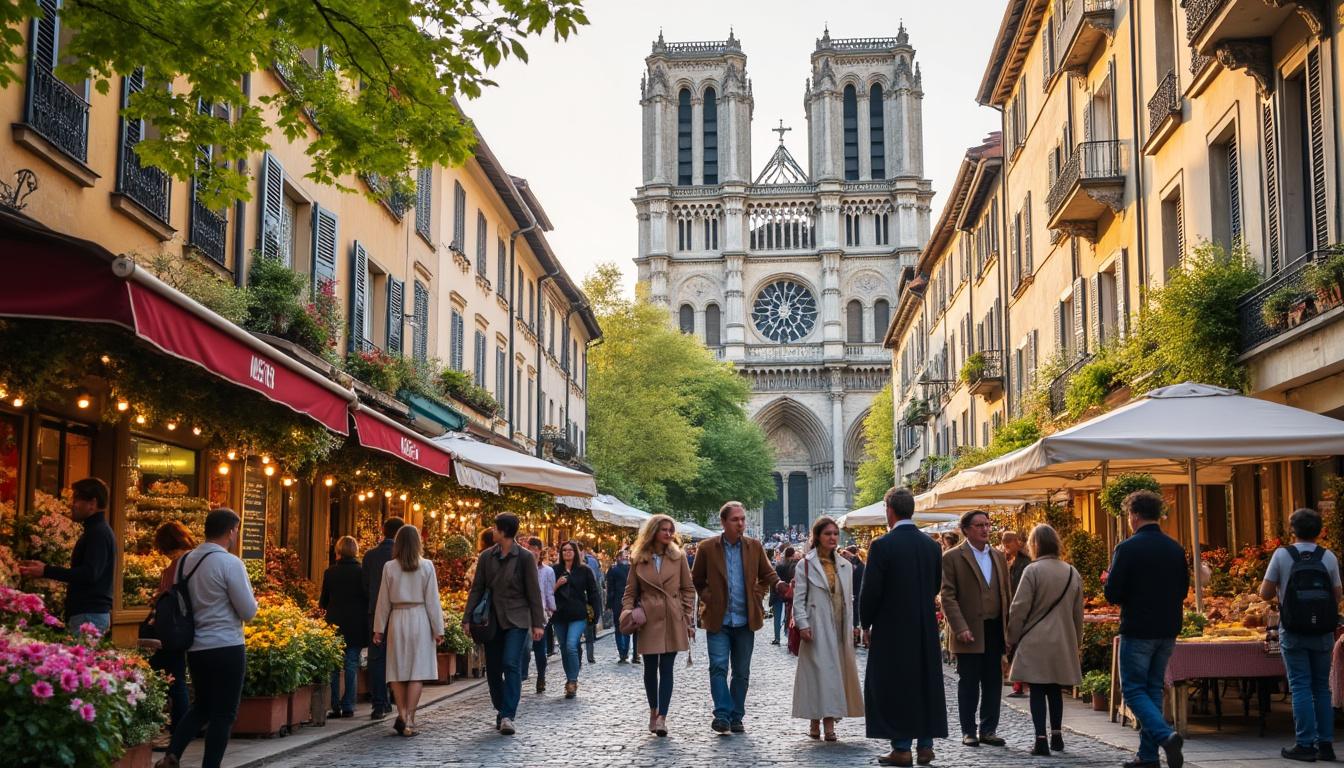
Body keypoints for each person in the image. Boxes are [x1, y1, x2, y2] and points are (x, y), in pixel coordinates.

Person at [154, 509, 258, 768]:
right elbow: (248, 611)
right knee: (224, 713)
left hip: (196, 646)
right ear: (231, 531)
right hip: (227, 645)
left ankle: (172, 754)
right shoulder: (230, 563)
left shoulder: (185, 561)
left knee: (201, 706)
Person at [861, 487, 947, 767]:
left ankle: (901, 748)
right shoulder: (932, 546)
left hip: (891, 628)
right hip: (923, 626)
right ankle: (925, 745)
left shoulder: (882, 546)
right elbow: (935, 585)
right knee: (924, 683)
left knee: (894, 685)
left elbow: (871, 591)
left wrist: (865, 623)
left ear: (890, 511)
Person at [1104, 490, 1187, 768]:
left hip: (1138, 627)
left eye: (1128, 514)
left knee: (1133, 690)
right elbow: (1183, 589)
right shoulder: (1175, 548)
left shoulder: (1127, 548)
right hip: (1168, 627)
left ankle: (1165, 736)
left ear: (1135, 515)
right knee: (1152, 688)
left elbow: (1113, 594)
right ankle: (1148, 756)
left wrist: (1111, 580)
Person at [690, 500, 782, 734]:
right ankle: (722, 714)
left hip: (744, 619)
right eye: (735, 519)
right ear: (723, 522)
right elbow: (697, 579)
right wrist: (708, 596)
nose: (741, 523)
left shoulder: (754, 546)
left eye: (743, 519)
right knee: (718, 667)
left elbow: (767, 574)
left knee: (741, 672)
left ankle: (736, 716)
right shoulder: (707, 547)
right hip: (718, 619)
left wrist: (766, 589)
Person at [1260, 508, 1342, 762]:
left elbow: (1264, 592)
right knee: (1322, 687)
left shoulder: (1282, 555)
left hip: (1293, 630)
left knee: (1300, 686)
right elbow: (1337, 593)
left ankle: (1305, 743)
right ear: (1319, 531)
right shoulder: (1327, 556)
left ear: (1292, 530)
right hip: (1322, 631)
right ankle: (1326, 744)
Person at [463, 513, 546, 736]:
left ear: (503, 532)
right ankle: (501, 708)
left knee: (511, 663)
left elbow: (533, 592)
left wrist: (538, 623)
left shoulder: (525, 557)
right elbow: (477, 589)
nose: (492, 531)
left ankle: (508, 714)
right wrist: (467, 617)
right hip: (491, 619)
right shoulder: (486, 556)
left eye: (495, 528)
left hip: (517, 619)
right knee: (492, 669)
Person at [1005, 525, 1083, 756]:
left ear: (1034, 544)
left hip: (1035, 639)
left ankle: (1041, 739)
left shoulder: (1032, 571)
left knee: (1038, 690)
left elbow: (1019, 608)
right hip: (1062, 640)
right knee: (1055, 689)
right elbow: (1078, 613)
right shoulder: (1072, 572)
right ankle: (1057, 735)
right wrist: (1075, 642)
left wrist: (1011, 637)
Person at [941, 509, 1011, 747]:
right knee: (969, 682)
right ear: (966, 530)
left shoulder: (999, 556)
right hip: (968, 630)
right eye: (979, 525)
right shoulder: (952, 557)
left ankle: (989, 729)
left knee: (993, 681)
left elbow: (1006, 593)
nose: (985, 529)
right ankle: (968, 730)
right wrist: (959, 627)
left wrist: (1008, 628)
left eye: (987, 525)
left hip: (994, 627)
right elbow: (947, 596)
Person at [622, 514, 695, 737]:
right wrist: (627, 611)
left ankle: (662, 716)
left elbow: (687, 588)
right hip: (649, 617)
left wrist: (686, 613)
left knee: (667, 668)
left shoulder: (678, 556)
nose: (668, 533)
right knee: (650, 669)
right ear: (653, 531)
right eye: (664, 529)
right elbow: (631, 591)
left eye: (671, 530)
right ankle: (653, 711)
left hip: (673, 616)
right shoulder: (638, 558)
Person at [791, 516, 863, 742]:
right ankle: (816, 721)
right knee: (818, 675)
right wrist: (803, 624)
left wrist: (853, 625)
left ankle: (829, 723)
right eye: (827, 534)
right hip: (816, 625)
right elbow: (799, 598)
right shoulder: (805, 564)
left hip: (840, 626)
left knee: (835, 674)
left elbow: (849, 599)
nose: (832, 538)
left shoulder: (846, 565)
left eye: (835, 534)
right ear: (817, 537)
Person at [18, 477, 117, 635]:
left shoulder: (98, 533)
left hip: (88, 615)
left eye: (76, 499)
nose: (72, 505)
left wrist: (46, 571)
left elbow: (89, 574)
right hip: (89, 613)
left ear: (92, 503)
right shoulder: (96, 530)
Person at [371, 525, 443, 738]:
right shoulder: (427, 566)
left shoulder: (389, 567)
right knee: (416, 671)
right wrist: (438, 629)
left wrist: (378, 630)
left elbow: (382, 601)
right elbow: (433, 600)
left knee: (397, 670)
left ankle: (401, 714)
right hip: (420, 618)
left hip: (397, 619)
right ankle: (410, 718)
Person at [147, 521, 197, 738]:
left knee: (172, 678)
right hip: (189, 627)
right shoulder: (195, 560)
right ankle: (181, 729)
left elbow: (165, 598)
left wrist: (157, 599)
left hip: (171, 629)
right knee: (176, 677)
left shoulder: (174, 567)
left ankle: (178, 730)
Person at [320, 535, 368, 719]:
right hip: (356, 624)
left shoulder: (330, 572)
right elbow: (367, 597)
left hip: (336, 623)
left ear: (338, 551)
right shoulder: (362, 572)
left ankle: (335, 705)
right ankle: (348, 705)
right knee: (351, 664)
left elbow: (323, 601)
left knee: (334, 665)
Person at [362, 516, 405, 720]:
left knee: (377, 658)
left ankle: (379, 703)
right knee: (398, 656)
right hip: (398, 612)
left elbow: (364, 586)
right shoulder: (405, 556)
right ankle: (397, 699)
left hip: (375, 612)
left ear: (382, 530)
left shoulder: (370, 556)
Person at [551, 540, 602, 699]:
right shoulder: (554, 570)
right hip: (559, 615)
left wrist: (596, 614)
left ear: (576, 552)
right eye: (564, 550)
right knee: (565, 649)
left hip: (578, 614)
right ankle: (569, 679)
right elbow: (546, 593)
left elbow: (594, 593)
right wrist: (557, 585)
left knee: (571, 645)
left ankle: (573, 681)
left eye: (570, 550)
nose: (567, 552)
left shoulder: (584, 570)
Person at [519, 536, 555, 692]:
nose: (532, 552)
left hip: (541, 614)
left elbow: (549, 592)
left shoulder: (547, 571)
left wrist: (550, 610)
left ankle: (541, 676)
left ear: (540, 552)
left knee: (540, 650)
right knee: (525, 648)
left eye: (535, 549)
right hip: (523, 614)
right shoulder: (521, 569)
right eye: (529, 549)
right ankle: (521, 675)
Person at [1000, 530, 1032, 698]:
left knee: (1018, 646)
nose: (1006, 547)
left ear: (1017, 543)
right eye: (1004, 544)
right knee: (1013, 647)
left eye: (1009, 543)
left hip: (1019, 608)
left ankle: (1020, 684)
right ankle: (1016, 682)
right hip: (1010, 608)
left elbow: (1019, 586)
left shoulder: (1024, 563)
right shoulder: (1007, 560)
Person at [606, 549, 633, 662]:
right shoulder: (631, 569)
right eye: (625, 556)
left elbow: (610, 589)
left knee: (618, 627)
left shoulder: (613, 570)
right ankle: (625, 651)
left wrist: (609, 603)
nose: (626, 558)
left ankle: (622, 652)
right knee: (626, 626)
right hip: (629, 601)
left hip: (618, 601)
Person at [582, 542, 603, 664]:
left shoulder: (589, 571)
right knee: (588, 635)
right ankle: (588, 656)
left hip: (587, 607)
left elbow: (594, 592)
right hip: (581, 608)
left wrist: (595, 611)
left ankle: (590, 656)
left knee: (589, 635)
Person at [771, 546, 796, 645]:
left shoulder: (779, 564)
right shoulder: (794, 565)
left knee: (777, 617)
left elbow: (774, 579)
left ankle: (777, 638)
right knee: (789, 616)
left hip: (778, 593)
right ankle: (789, 636)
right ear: (793, 554)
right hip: (789, 593)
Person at [845, 545, 866, 647]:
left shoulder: (851, 565)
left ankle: (855, 638)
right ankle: (857, 638)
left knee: (853, 618)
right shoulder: (862, 564)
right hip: (859, 593)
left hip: (852, 593)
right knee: (856, 618)